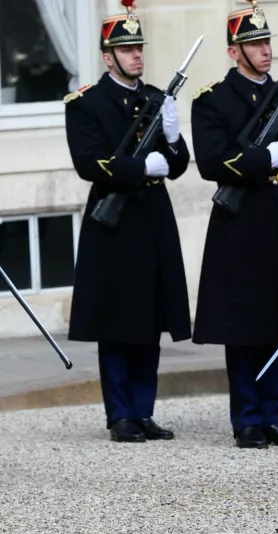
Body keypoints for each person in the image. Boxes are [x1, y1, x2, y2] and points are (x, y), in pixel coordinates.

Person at [190, 0, 278, 448]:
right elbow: (210, 161)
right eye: (253, 43)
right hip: (241, 218)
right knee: (243, 319)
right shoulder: (213, 100)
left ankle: (272, 413)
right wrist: (265, 157)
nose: (264, 50)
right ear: (234, 52)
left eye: (265, 42)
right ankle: (246, 417)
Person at [65, 0, 190, 443]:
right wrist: (140, 169)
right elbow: (88, 163)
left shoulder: (157, 97)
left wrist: (174, 140)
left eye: (139, 47)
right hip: (114, 222)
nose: (137, 55)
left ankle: (143, 409)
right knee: (117, 319)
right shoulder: (87, 103)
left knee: (150, 316)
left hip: (151, 217)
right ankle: (120, 413)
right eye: (127, 49)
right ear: (107, 56)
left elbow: (178, 164)